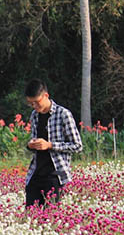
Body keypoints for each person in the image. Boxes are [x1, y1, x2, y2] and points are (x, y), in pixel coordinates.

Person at [24, 79, 83, 207]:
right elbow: (36, 142)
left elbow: (77, 146)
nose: (34, 106)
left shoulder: (63, 114)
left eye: (36, 102)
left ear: (46, 96)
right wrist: (31, 145)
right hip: (36, 172)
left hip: (56, 174)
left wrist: (50, 145)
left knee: (50, 217)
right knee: (30, 216)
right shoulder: (34, 116)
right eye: (31, 103)